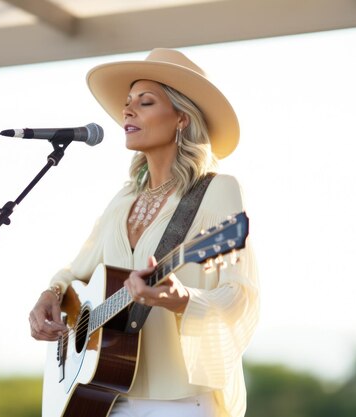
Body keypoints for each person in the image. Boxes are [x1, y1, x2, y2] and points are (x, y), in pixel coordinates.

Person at [28, 48, 259, 417]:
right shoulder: (123, 199)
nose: (128, 110)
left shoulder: (217, 190)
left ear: (182, 118)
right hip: (110, 397)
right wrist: (50, 294)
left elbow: (240, 295)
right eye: (128, 102)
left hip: (182, 401)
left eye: (146, 102)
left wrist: (183, 299)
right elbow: (77, 271)